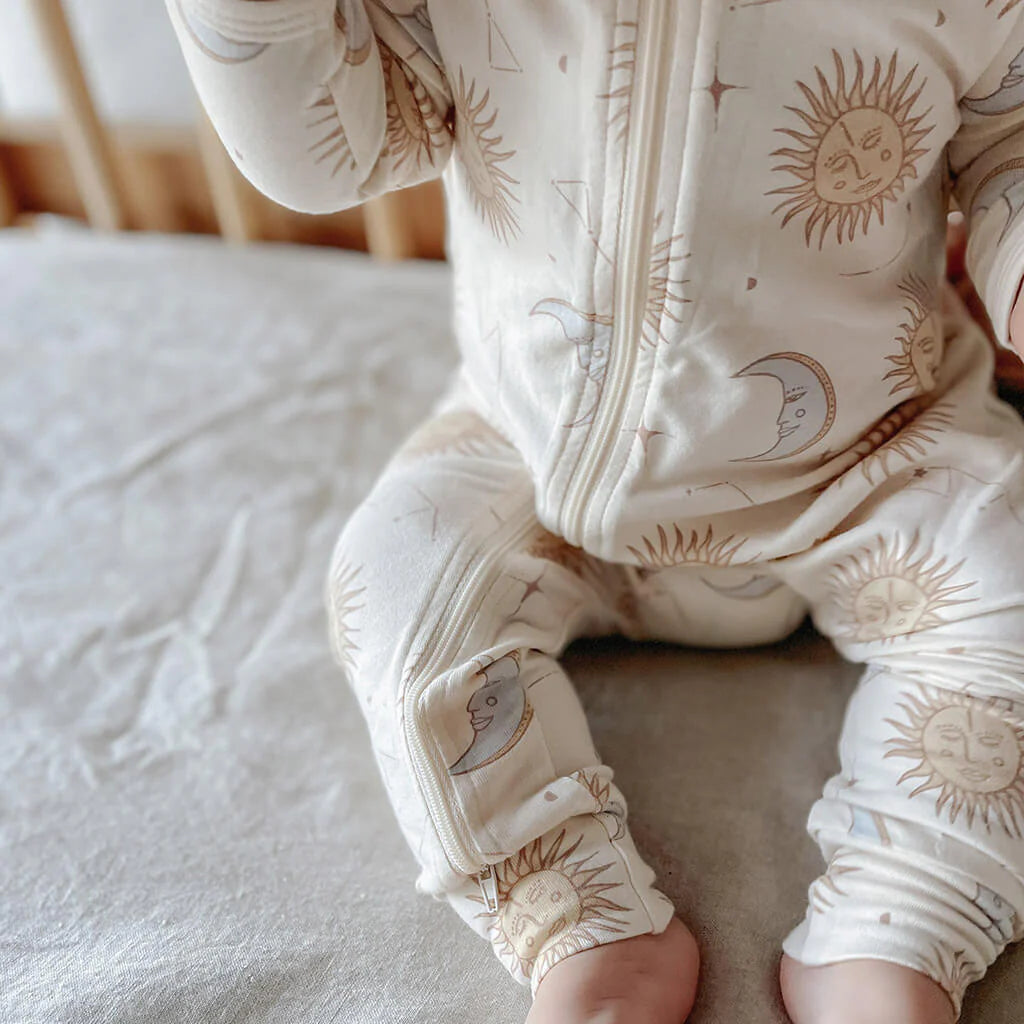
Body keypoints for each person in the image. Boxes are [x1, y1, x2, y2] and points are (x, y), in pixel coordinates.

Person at [166, 2, 1024, 1020]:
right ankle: (575, 912)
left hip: (878, 457)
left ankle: (903, 925)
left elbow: (1007, 137)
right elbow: (328, 151)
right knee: (394, 586)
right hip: (536, 458)